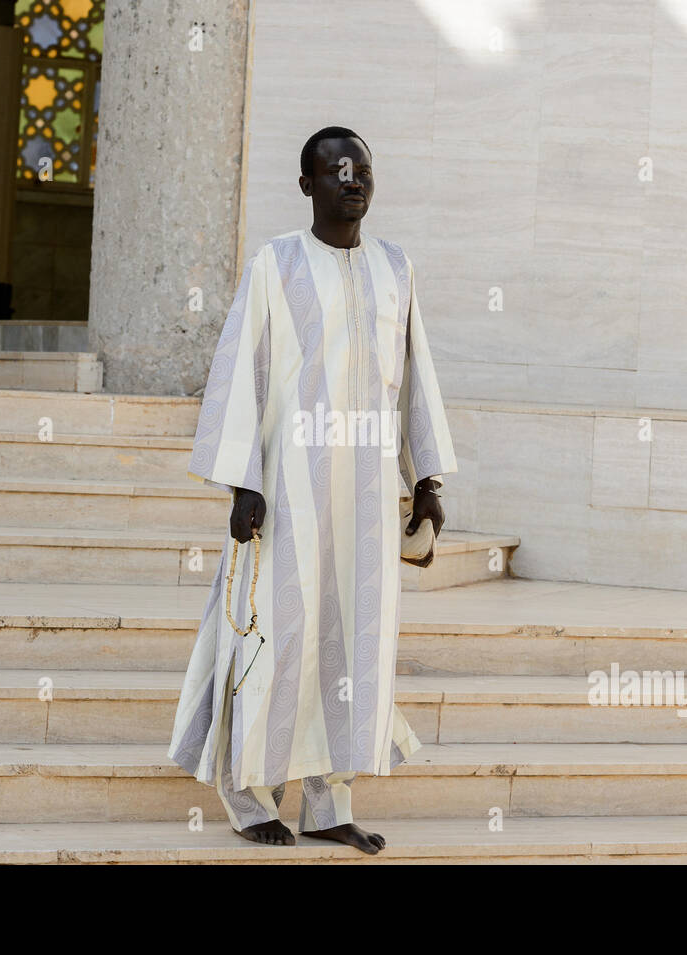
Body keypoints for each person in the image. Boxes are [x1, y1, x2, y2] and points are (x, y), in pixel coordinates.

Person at [168, 126, 457, 854]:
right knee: (279, 638)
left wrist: (425, 479)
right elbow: (242, 371)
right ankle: (250, 793)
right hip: (289, 490)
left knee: (355, 645)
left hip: (365, 499)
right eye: (334, 169)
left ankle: (329, 803)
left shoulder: (397, 268)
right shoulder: (277, 265)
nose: (351, 178)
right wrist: (242, 481)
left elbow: (414, 378)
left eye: (361, 167)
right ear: (307, 187)